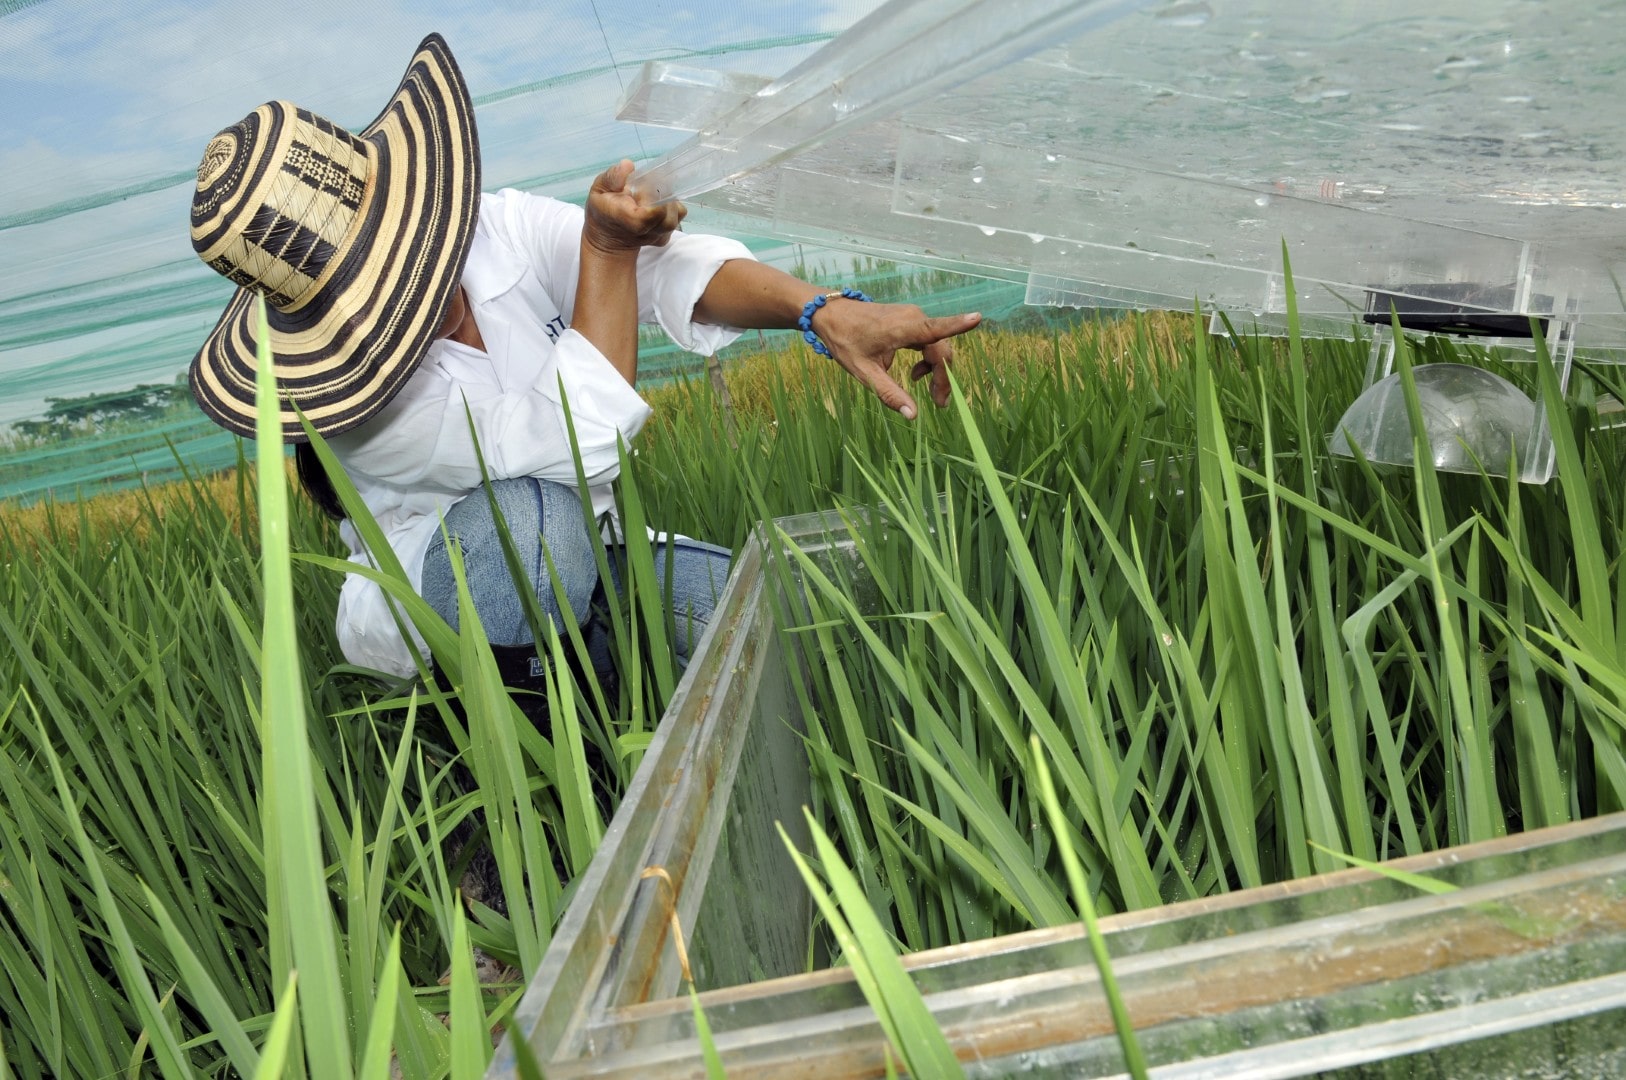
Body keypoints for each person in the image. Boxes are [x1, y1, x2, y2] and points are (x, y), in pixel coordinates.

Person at [187, 33, 981, 686]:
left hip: (594, 552)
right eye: (390, 294)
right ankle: (528, 773)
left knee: (805, 642)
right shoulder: (359, 419)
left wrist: (823, 312)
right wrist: (606, 245)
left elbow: (661, 269)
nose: (432, 292)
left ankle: (607, 684)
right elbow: (573, 440)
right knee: (532, 527)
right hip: (458, 593)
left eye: (416, 258)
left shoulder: (497, 228)